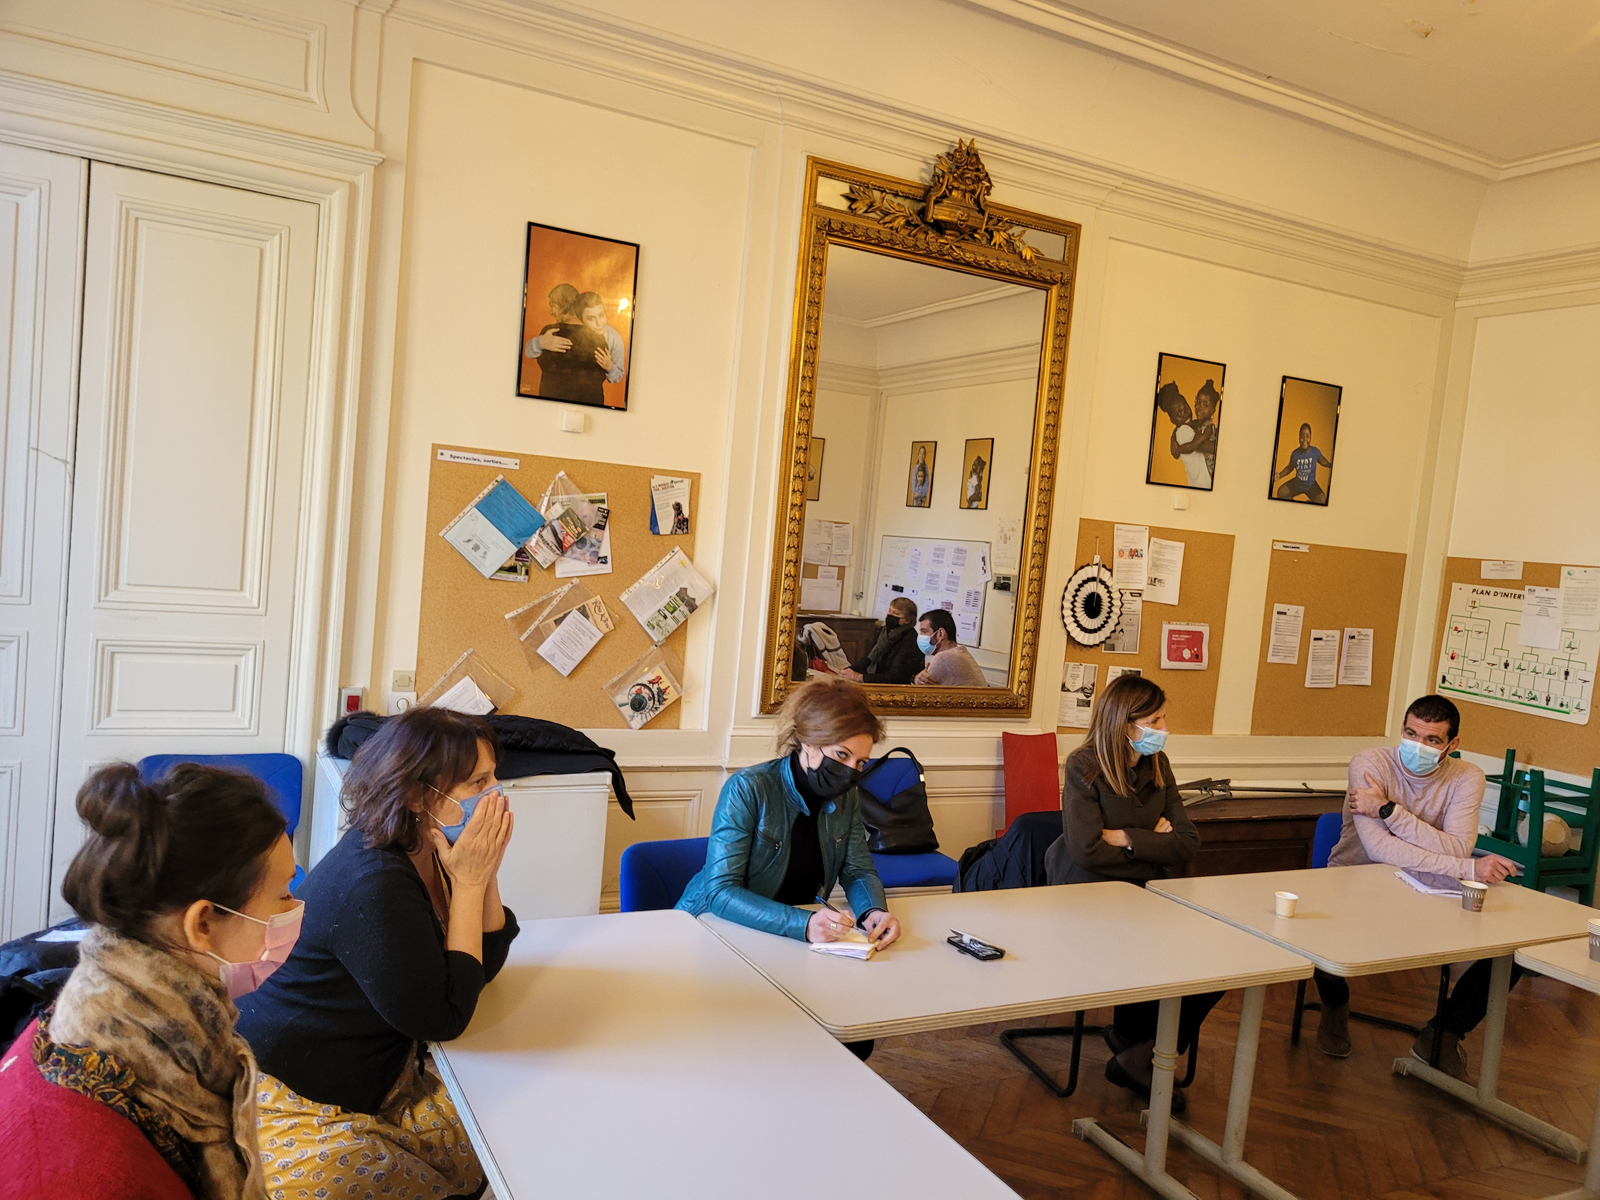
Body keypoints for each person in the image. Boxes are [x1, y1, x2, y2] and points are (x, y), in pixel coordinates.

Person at [235, 706, 518, 1197]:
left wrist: (483, 874)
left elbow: (479, 967)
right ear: (417, 795)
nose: (495, 794)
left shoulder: (430, 846)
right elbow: (443, 1018)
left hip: (376, 1067)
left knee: (500, 1128)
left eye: (494, 777)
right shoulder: (376, 880)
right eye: (478, 782)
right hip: (297, 1091)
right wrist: (471, 884)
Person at [0, 762, 299, 1199]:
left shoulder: (98, 1005)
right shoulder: (106, 1171)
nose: (295, 908)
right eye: (284, 894)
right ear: (202, 924)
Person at [675, 679, 900, 1056]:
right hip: (717, 933)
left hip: (790, 942)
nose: (850, 771)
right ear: (807, 743)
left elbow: (858, 870)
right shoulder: (749, 787)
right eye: (841, 755)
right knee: (755, 1041)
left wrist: (873, 911)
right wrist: (804, 924)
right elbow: (719, 892)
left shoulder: (846, 797)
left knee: (855, 1037)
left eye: (860, 762)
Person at [1310, 695, 1518, 1073]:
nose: (1417, 745)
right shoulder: (1370, 763)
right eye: (1410, 734)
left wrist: (1388, 810)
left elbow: (1459, 846)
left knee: (1510, 950)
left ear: (1452, 745)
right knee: (1319, 933)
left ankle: (1443, 1034)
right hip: (1354, 880)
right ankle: (1334, 1006)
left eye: (1432, 740)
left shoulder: (1466, 777)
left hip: (1426, 889)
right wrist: (1465, 867)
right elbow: (1379, 848)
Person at [1044, 674, 1217, 1112]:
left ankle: (1139, 1051)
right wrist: (1152, 843)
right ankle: (1139, 1049)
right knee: (1158, 950)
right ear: (1124, 722)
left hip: (1144, 895)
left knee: (1219, 963)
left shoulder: (1158, 763)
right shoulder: (1083, 766)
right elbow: (1085, 851)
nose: (1164, 728)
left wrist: (1123, 836)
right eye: (1154, 721)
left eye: (1163, 718)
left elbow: (1187, 842)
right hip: (1087, 899)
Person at [524, 284, 608, 405]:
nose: (551, 312)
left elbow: (528, 352)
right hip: (592, 406)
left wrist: (540, 342)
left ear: (562, 305)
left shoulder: (551, 332)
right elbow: (604, 373)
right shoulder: (598, 338)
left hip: (550, 404)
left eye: (552, 306)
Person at [840, 596, 924, 685]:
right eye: (889, 611)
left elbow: (897, 677)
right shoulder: (883, 632)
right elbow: (866, 660)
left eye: (896, 613)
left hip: (893, 686)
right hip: (874, 679)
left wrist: (859, 677)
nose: (890, 615)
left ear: (907, 620)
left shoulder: (911, 640)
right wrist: (848, 670)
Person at [913, 608, 987, 686]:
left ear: (940, 634)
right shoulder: (961, 653)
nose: (920, 636)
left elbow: (920, 690)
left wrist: (916, 679)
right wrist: (917, 678)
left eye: (924, 631)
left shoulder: (944, 658)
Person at [1275, 422, 1332, 502]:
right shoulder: (1295, 454)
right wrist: (1279, 475)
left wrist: (1330, 465)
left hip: (1311, 485)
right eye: (1302, 436)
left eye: (1307, 436)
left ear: (1310, 438)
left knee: (1323, 501)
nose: (1305, 439)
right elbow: (1289, 468)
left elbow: (1323, 461)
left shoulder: (1315, 452)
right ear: (1299, 437)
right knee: (1281, 492)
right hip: (1297, 483)